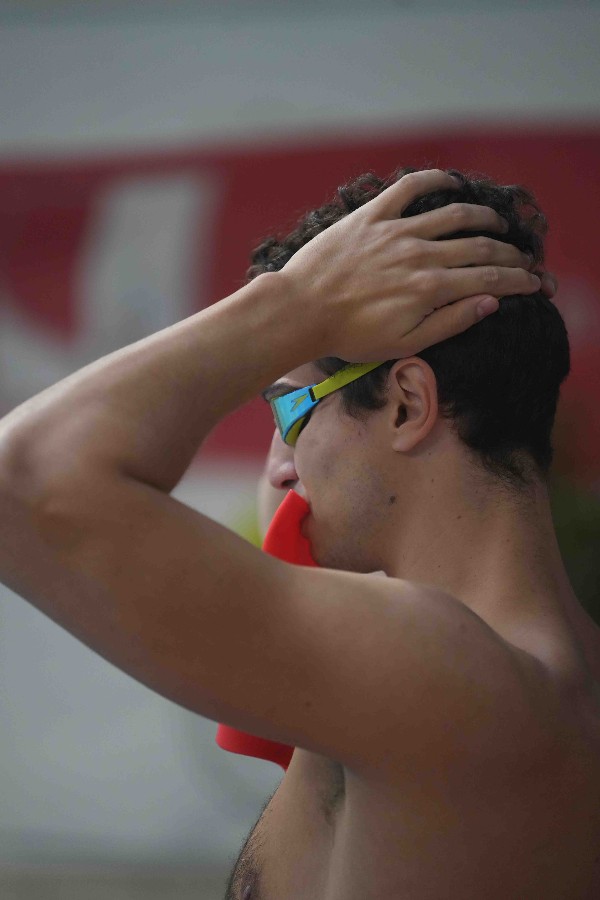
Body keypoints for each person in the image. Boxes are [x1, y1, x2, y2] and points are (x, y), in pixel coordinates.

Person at [0, 167, 598, 900]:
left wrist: (299, 303)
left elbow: (25, 478)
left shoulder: (440, 670)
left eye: (287, 412)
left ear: (407, 405)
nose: (280, 468)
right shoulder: (502, 680)